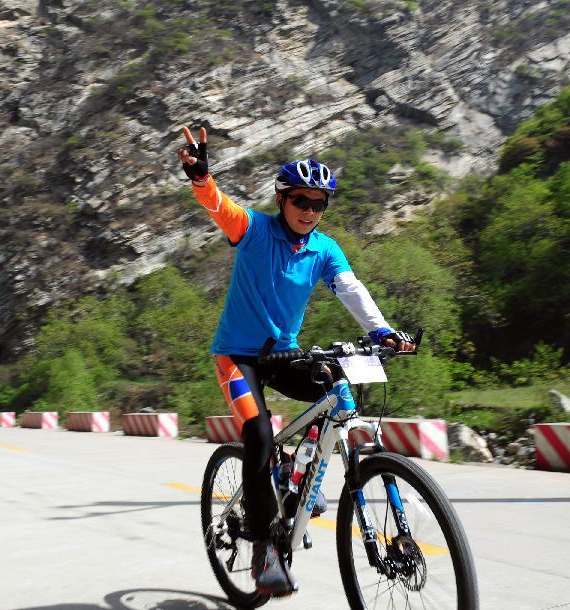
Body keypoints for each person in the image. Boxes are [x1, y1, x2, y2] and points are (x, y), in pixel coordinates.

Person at [177, 126, 417, 596]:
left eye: (319, 204)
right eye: (302, 202)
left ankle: (299, 476)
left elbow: (351, 289)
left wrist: (383, 332)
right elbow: (218, 206)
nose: (310, 211)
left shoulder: (324, 249)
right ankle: (265, 547)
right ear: (282, 199)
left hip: (285, 355)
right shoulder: (254, 230)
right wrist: (202, 177)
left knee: (339, 390)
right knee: (259, 435)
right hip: (237, 358)